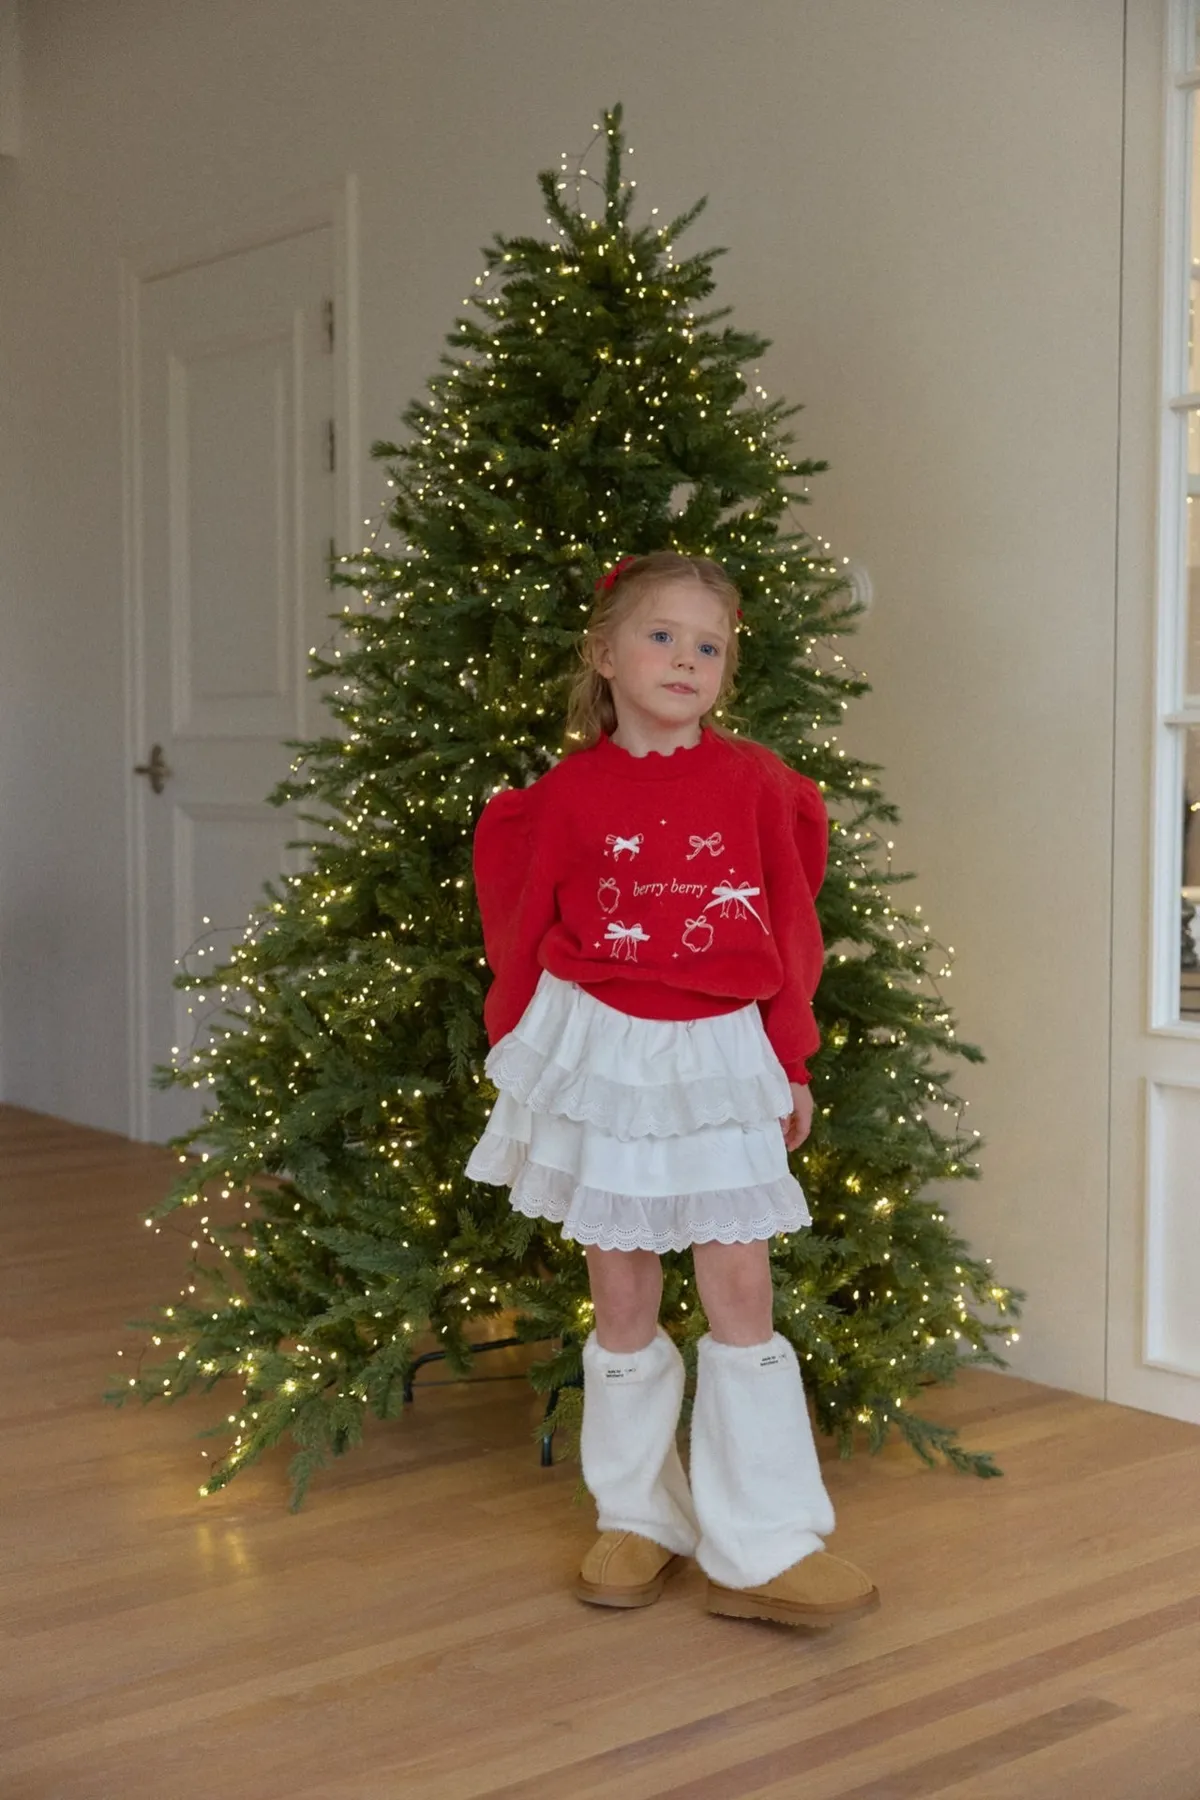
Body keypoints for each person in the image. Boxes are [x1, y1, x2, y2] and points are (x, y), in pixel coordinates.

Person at [465, 550, 879, 1630]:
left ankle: (764, 1542)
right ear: (605, 655)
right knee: (622, 1290)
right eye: (663, 636)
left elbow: (791, 932)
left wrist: (790, 1060)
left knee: (741, 1286)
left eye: (710, 644)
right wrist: (521, 1061)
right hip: (602, 1054)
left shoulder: (758, 786)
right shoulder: (563, 798)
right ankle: (638, 1517)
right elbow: (520, 934)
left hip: (720, 1054)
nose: (688, 659)